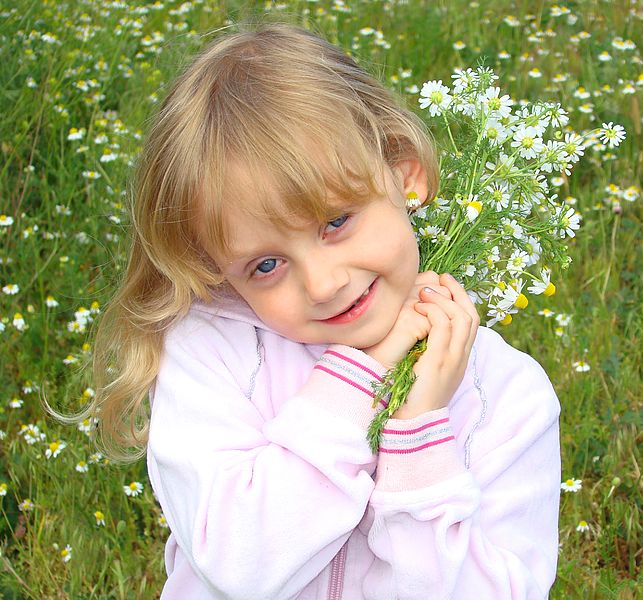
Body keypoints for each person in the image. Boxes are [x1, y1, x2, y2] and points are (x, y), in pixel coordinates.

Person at [86, 22, 561, 599]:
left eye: (335, 222)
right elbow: (243, 567)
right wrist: (362, 382)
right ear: (215, 267)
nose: (323, 283)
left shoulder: (507, 399)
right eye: (265, 265)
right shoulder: (212, 354)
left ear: (404, 172)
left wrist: (416, 434)